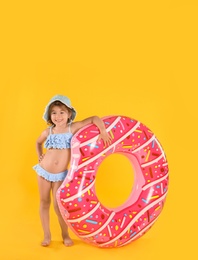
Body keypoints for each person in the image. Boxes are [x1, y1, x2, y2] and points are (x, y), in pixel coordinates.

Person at [33, 94, 112, 247]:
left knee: (58, 205)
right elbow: (37, 143)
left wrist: (102, 130)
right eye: (54, 112)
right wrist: (39, 156)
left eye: (62, 112)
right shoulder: (48, 132)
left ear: (69, 114)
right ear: (50, 115)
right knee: (44, 202)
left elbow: (94, 118)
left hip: (60, 174)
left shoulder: (72, 128)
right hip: (43, 172)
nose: (58, 116)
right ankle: (47, 235)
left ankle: (65, 234)